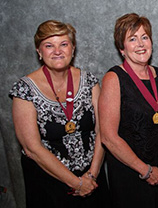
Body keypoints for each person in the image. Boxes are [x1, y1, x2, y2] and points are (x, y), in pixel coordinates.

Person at [9, 20, 109, 208]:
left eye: (63, 44)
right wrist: (76, 183)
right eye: (49, 45)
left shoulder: (90, 81)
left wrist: (92, 175)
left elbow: (102, 131)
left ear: (73, 48)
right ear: (39, 51)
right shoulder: (24, 89)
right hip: (49, 185)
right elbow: (32, 148)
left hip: (92, 179)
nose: (57, 51)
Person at [99, 13, 158, 208]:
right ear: (122, 48)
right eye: (132, 39)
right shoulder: (114, 78)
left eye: (144, 37)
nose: (140, 44)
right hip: (130, 174)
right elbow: (108, 137)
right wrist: (145, 171)